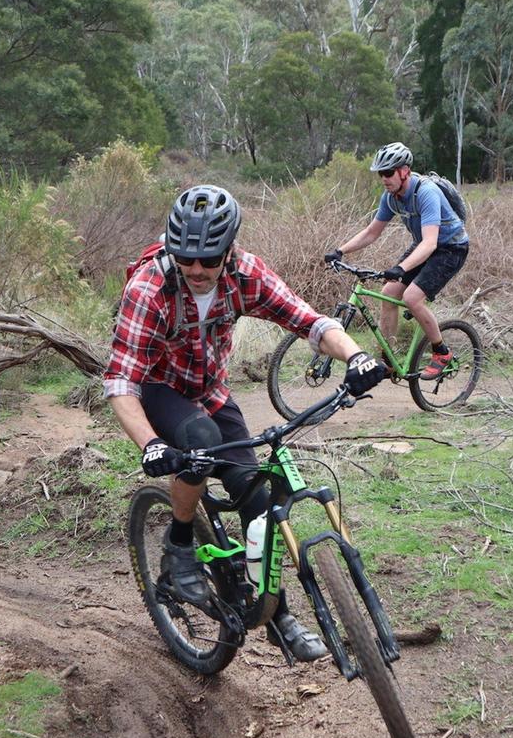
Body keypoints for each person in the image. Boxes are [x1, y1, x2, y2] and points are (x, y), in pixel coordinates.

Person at [105, 185, 386, 662]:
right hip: (157, 388)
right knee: (199, 439)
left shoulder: (245, 274)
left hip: (210, 389)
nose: (196, 270)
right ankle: (178, 546)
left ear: (228, 250)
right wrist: (151, 444)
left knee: (257, 501)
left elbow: (310, 322)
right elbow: (121, 381)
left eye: (208, 260)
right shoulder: (149, 289)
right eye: (185, 259)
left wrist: (356, 356)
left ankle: (277, 615)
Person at [325, 142, 469, 380]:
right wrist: (340, 250)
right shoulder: (391, 197)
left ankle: (441, 352)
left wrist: (401, 267)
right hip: (424, 244)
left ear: (404, 171)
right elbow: (372, 232)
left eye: (389, 172)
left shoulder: (426, 192)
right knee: (390, 291)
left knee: (412, 298)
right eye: (381, 173)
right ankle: (388, 359)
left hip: (450, 248)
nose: (384, 178)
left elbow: (430, 243)